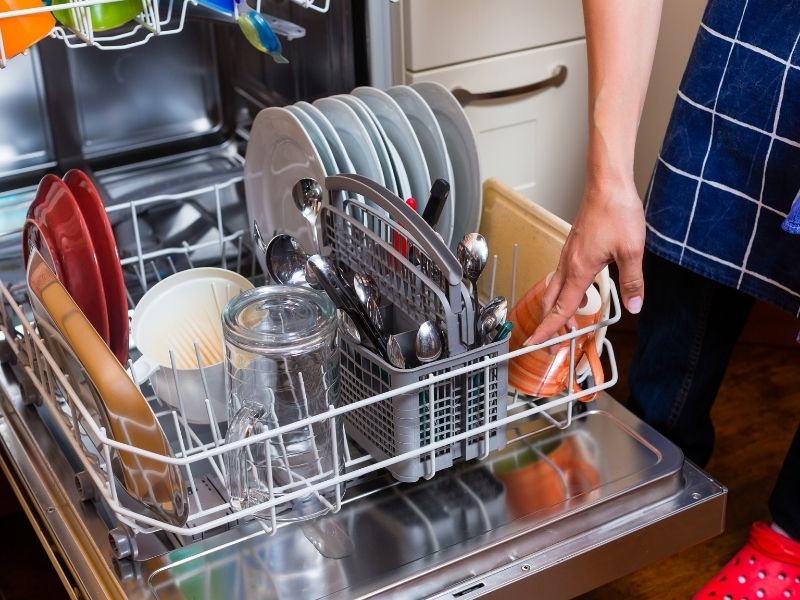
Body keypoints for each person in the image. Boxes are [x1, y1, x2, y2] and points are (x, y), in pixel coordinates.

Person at [528, 0, 800, 597]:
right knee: (689, 239)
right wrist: (609, 183)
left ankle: (790, 541)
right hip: (757, 34)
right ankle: (650, 463)